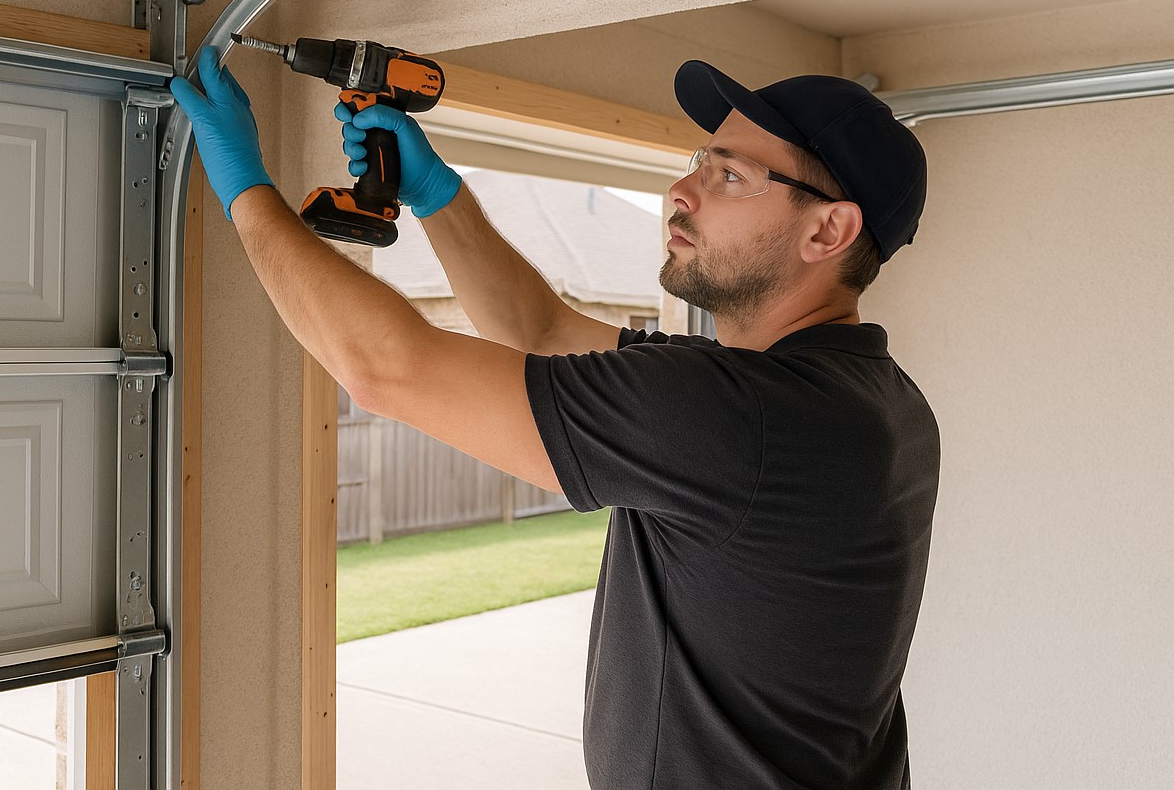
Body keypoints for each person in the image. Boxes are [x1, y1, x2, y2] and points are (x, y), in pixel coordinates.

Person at [171, 48, 940, 790]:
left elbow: (387, 369)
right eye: (699, 162)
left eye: (730, 175)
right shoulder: (874, 398)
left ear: (828, 231)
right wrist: (438, 195)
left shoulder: (740, 414)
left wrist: (244, 188)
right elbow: (540, 328)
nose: (681, 191)